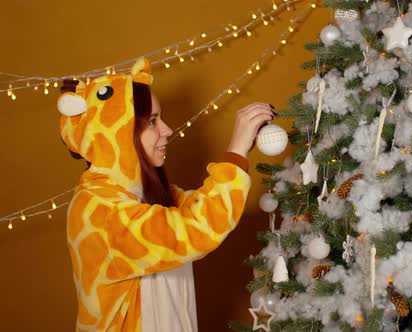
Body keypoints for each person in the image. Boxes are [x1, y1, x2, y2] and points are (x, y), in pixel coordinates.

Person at [57, 58, 274, 332]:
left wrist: (240, 155)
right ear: (119, 132)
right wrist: (235, 153)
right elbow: (196, 229)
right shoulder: (97, 208)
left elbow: (200, 206)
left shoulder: (142, 192)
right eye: (152, 121)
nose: (167, 130)